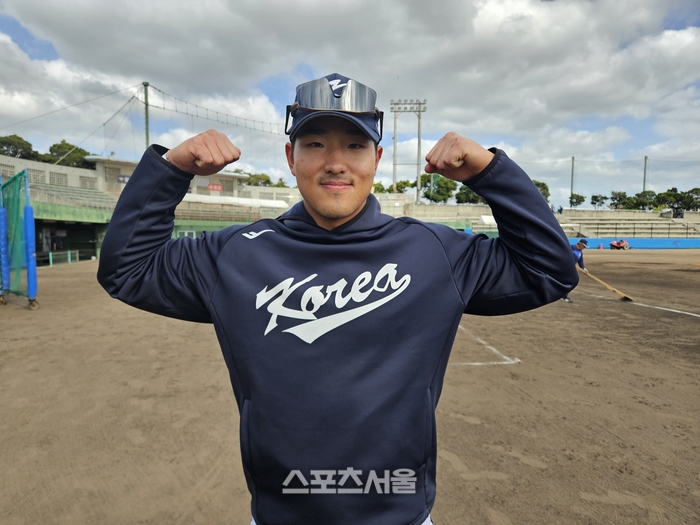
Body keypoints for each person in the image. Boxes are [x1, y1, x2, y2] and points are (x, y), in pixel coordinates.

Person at [97, 73, 578, 525]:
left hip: (402, 516)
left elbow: (549, 271)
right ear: (291, 157)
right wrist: (171, 170)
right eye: (314, 144)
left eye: (354, 145)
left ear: (376, 158)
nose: (335, 162)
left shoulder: (435, 252)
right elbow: (126, 270)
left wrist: (492, 173)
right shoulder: (235, 254)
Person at [562, 238, 588, 303]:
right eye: (584, 246)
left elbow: (580, 262)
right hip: (564, 267)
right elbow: (563, 255)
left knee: (568, 282)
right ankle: (564, 296)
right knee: (566, 281)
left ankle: (564, 295)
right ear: (580, 244)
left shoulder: (580, 252)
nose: (584, 248)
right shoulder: (570, 248)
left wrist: (584, 268)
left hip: (571, 269)